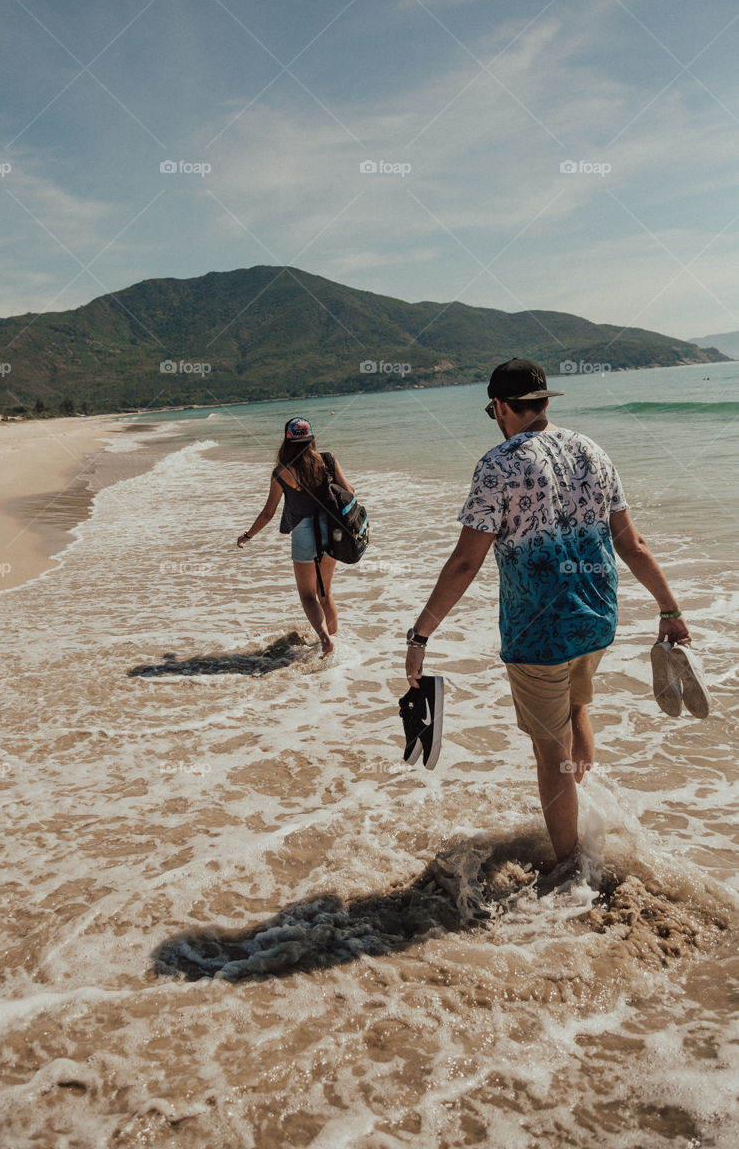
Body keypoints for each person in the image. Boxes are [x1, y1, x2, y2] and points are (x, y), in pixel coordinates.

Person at [404, 358, 692, 864]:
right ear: (542, 401)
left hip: (538, 633)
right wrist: (669, 608)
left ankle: (570, 868)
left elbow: (467, 559)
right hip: (598, 619)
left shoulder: (498, 464)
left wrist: (421, 633)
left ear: (500, 408)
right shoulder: (593, 451)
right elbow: (633, 543)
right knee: (577, 706)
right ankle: (590, 812)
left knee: (549, 751)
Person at [237, 417, 354, 657]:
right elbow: (350, 492)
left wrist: (248, 535)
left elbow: (268, 512)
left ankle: (324, 640)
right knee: (326, 593)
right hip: (331, 532)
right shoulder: (327, 460)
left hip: (304, 535)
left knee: (307, 595)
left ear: (287, 441)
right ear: (311, 439)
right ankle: (334, 644)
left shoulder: (282, 471)